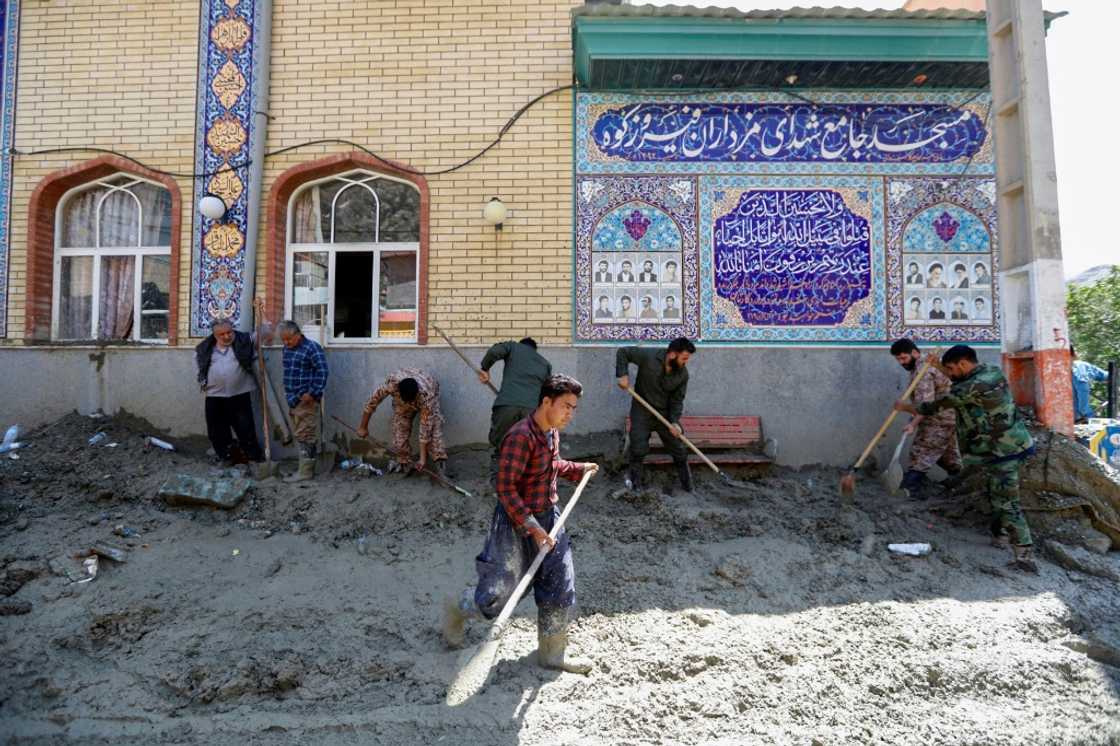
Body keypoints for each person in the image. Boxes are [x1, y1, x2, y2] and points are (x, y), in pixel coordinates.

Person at [443, 375, 599, 675]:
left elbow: (551, 466)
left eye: (574, 408)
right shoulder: (520, 437)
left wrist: (578, 469)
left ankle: (552, 654)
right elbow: (505, 488)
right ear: (546, 402)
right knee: (498, 593)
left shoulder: (551, 432)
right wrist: (533, 528)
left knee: (559, 583)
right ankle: (457, 608)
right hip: (515, 523)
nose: (570, 413)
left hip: (549, 517)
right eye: (566, 406)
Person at [894, 345, 1038, 573]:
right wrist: (939, 365)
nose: (949, 373)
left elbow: (937, 405)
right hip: (1011, 445)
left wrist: (906, 407)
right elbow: (958, 380)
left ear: (962, 364)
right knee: (994, 493)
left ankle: (1025, 557)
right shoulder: (990, 371)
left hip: (1003, 452)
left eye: (951, 368)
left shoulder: (971, 387)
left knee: (1007, 502)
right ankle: (999, 536)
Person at [616, 338, 696, 492]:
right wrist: (622, 374)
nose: (685, 362)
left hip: (664, 415)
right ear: (672, 354)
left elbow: (677, 401)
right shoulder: (649, 356)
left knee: (679, 449)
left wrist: (674, 422)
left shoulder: (682, 375)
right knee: (638, 448)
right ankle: (635, 485)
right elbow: (623, 352)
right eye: (684, 358)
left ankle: (688, 487)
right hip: (642, 411)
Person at [889, 339, 962, 498]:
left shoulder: (923, 370)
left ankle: (910, 488)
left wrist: (913, 423)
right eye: (898, 359)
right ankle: (963, 481)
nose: (901, 362)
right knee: (947, 456)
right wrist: (912, 421)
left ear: (915, 353)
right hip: (948, 417)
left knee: (922, 451)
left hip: (939, 419)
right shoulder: (919, 368)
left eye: (903, 358)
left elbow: (925, 405)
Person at [479, 337, 553, 485]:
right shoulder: (545, 364)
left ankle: (497, 484)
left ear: (522, 345)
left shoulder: (513, 347)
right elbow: (547, 392)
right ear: (535, 350)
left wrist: (485, 369)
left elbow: (494, 351)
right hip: (531, 412)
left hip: (507, 407)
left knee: (500, 445)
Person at [195, 318, 263, 468]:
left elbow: (263, 335)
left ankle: (254, 458)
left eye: (229, 332)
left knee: (245, 427)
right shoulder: (204, 348)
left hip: (240, 393)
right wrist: (203, 382)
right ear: (214, 335)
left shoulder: (244, 340)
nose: (227, 336)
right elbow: (199, 367)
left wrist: (264, 324)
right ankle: (226, 457)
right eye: (222, 334)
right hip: (214, 395)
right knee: (216, 430)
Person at [358, 369, 448, 474]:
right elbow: (371, 403)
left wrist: (422, 459)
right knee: (399, 431)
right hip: (402, 401)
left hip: (429, 391)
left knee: (434, 431)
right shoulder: (392, 385)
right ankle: (404, 463)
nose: (410, 404)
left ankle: (439, 464)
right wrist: (363, 427)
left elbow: (425, 429)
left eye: (411, 401)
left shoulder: (427, 397)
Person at [279, 320, 329, 482]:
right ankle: (304, 468)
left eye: (289, 339)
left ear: (298, 334)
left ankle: (305, 473)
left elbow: (322, 371)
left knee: (305, 434)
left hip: (306, 399)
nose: (286, 343)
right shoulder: (286, 349)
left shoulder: (312, 348)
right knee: (301, 434)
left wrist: (313, 392)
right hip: (292, 398)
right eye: (283, 340)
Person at [1071, 345, 1108, 423]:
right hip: (1076, 418)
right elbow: (1083, 391)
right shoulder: (1080, 367)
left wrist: (1084, 413)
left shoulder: (1080, 367)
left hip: (1080, 418)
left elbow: (1106, 375)